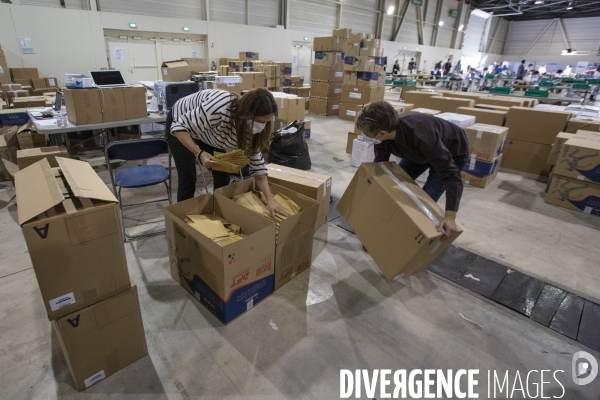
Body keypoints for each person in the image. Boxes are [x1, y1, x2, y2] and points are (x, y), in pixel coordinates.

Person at [166, 88, 288, 217]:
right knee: (188, 177)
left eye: (267, 121)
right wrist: (199, 153)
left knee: (222, 174)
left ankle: (219, 212)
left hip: (209, 132)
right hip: (180, 123)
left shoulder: (253, 129)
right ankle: (182, 222)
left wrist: (270, 200)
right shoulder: (220, 110)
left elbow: (259, 170)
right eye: (261, 121)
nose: (263, 126)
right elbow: (178, 127)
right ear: (247, 115)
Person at [355, 101, 468, 239]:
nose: (363, 135)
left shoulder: (421, 135)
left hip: (452, 152)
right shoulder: (383, 140)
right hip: (416, 154)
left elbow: (451, 175)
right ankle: (381, 234)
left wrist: (450, 216)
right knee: (396, 186)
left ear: (382, 133)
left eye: (366, 133)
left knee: (425, 200)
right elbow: (380, 165)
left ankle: (405, 240)